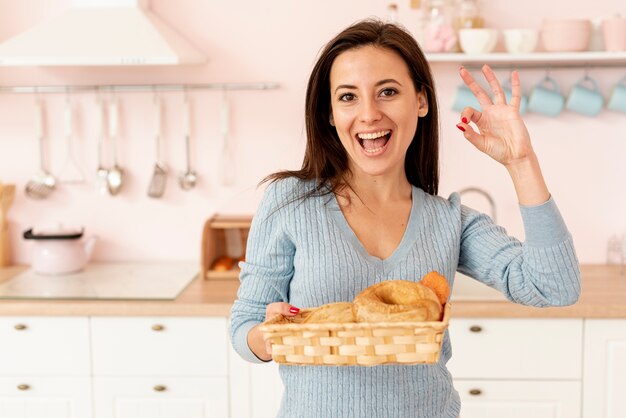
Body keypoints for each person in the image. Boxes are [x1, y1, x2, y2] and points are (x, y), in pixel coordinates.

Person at [229, 18, 581, 418]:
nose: (368, 114)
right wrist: (268, 336)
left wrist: (521, 162)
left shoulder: (448, 221)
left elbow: (555, 287)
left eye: (388, 92)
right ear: (329, 113)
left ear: (421, 101)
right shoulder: (289, 203)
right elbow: (244, 328)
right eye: (348, 97)